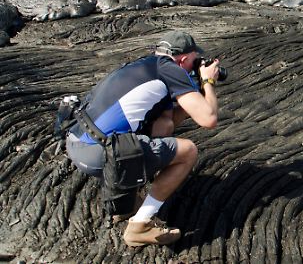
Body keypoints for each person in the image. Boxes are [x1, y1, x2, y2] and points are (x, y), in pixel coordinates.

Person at [64, 30, 220, 247]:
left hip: (75, 142)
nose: (197, 65)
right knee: (188, 151)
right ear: (183, 59)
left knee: (162, 127)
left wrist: (194, 94)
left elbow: (167, 123)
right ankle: (140, 225)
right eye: (195, 60)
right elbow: (209, 119)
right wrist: (208, 81)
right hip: (101, 153)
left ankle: (125, 205)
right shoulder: (172, 70)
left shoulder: (145, 65)